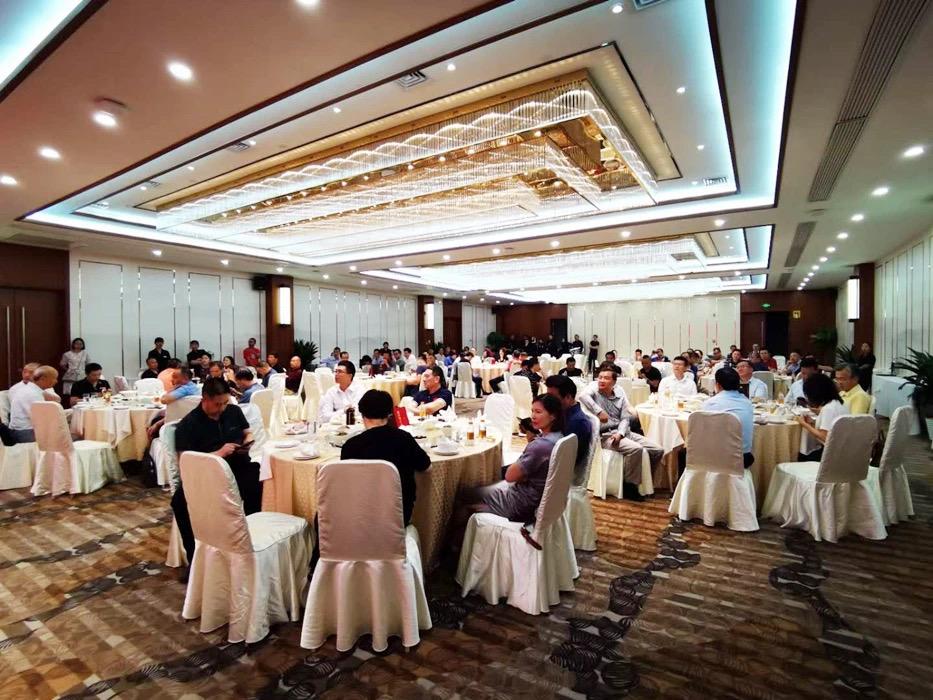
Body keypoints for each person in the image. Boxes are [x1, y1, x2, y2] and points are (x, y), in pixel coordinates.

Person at [171, 377, 259, 577]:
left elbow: (248, 432)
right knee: (179, 503)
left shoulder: (233, 411)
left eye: (225, 402)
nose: (222, 408)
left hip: (237, 466)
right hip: (205, 474)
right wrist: (219, 453)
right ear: (205, 399)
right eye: (218, 404)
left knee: (259, 482)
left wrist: (247, 442)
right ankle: (195, 559)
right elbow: (185, 461)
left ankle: (251, 544)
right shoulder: (189, 424)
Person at [451, 394, 565, 547]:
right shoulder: (559, 437)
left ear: (553, 416)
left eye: (538, 412)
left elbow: (510, 476)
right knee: (477, 492)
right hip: (537, 501)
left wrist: (523, 469)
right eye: (532, 411)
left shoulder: (540, 446)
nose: (533, 416)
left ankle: (455, 548)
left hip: (520, 504)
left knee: (463, 494)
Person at [340, 390, 431, 525]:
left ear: (362, 414)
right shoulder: (404, 439)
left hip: (359, 515)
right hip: (398, 515)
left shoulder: (350, 446)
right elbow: (427, 467)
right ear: (389, 414)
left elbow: (346, 483)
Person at [580, 367, 663, 499]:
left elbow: (625, 418)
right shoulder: (594, 394)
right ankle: (629, 486)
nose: (601, 380)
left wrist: (621, 433)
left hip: (623, 432)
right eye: (600, 377)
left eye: (606, 378)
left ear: (614, 382)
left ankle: (646, 481)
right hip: (606, 435)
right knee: (636, 449)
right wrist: (599, 411)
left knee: (657, 450)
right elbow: (582, 396)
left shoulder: (620, 397)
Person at [694, 367, 755, 469]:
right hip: (743, 457)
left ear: (718, 385)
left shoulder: (711, 403)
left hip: (716, 457)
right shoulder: (747, 402)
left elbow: (702, 432)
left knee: (685, 451)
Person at [545, 375, 592, 486]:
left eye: (552, 397)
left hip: (557, 476)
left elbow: (566, 460)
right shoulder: (563, 413)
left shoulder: (577, 422)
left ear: (568, 397)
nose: (548, 401)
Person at [797, 373, 849, 462]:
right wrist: (812, 422)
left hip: (829, 455)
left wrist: (804, 424)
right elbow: (833, 427)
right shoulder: (840, 403)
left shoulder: (828, 408)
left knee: (801, 456)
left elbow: (824, 437)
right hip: (843, 450)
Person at [8, 365, 60, 443]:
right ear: (43, 379)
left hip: (24, 430)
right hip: (25, 432)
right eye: (54, 378)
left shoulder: (32, 389)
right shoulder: (33, 393)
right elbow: (41, 419)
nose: (56, 381)